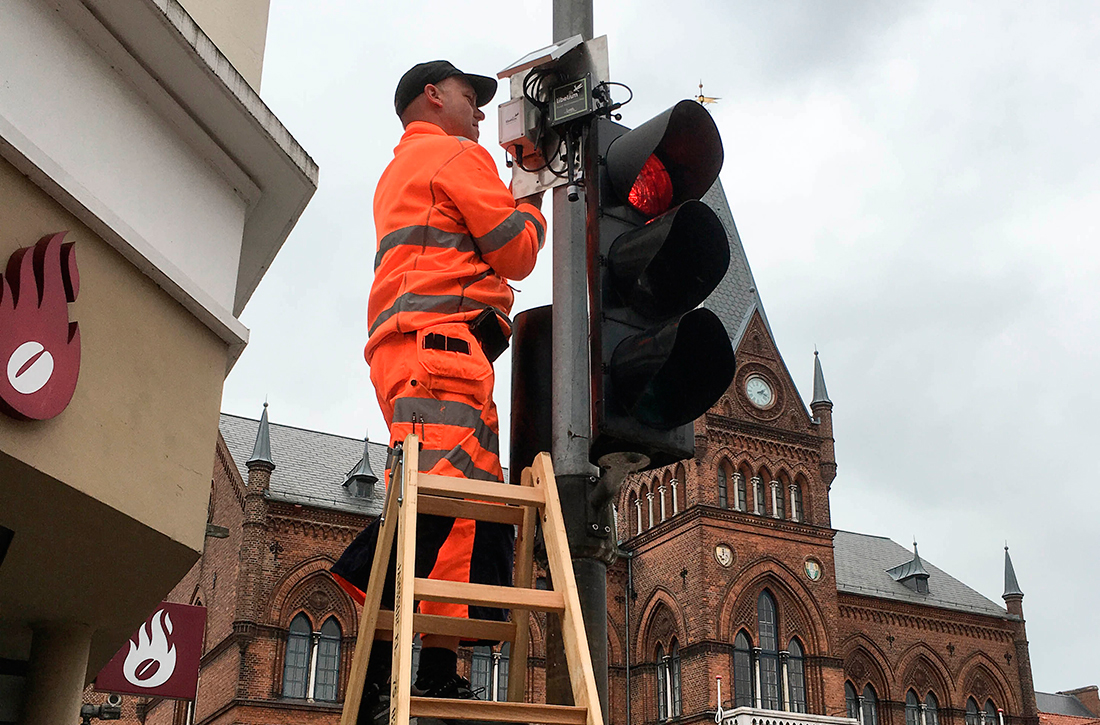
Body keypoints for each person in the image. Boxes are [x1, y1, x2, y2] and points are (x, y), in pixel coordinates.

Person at [331, 60, 546, 720]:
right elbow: (517, 252)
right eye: (468, 96)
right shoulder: (454, 154)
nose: (481, 111)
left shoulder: (404, 167)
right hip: (442, 352)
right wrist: (532, 186)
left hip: (433, 354)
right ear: (431, 95)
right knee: (432, 510)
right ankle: (374, 665)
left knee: (466, 518)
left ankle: (437, 667)